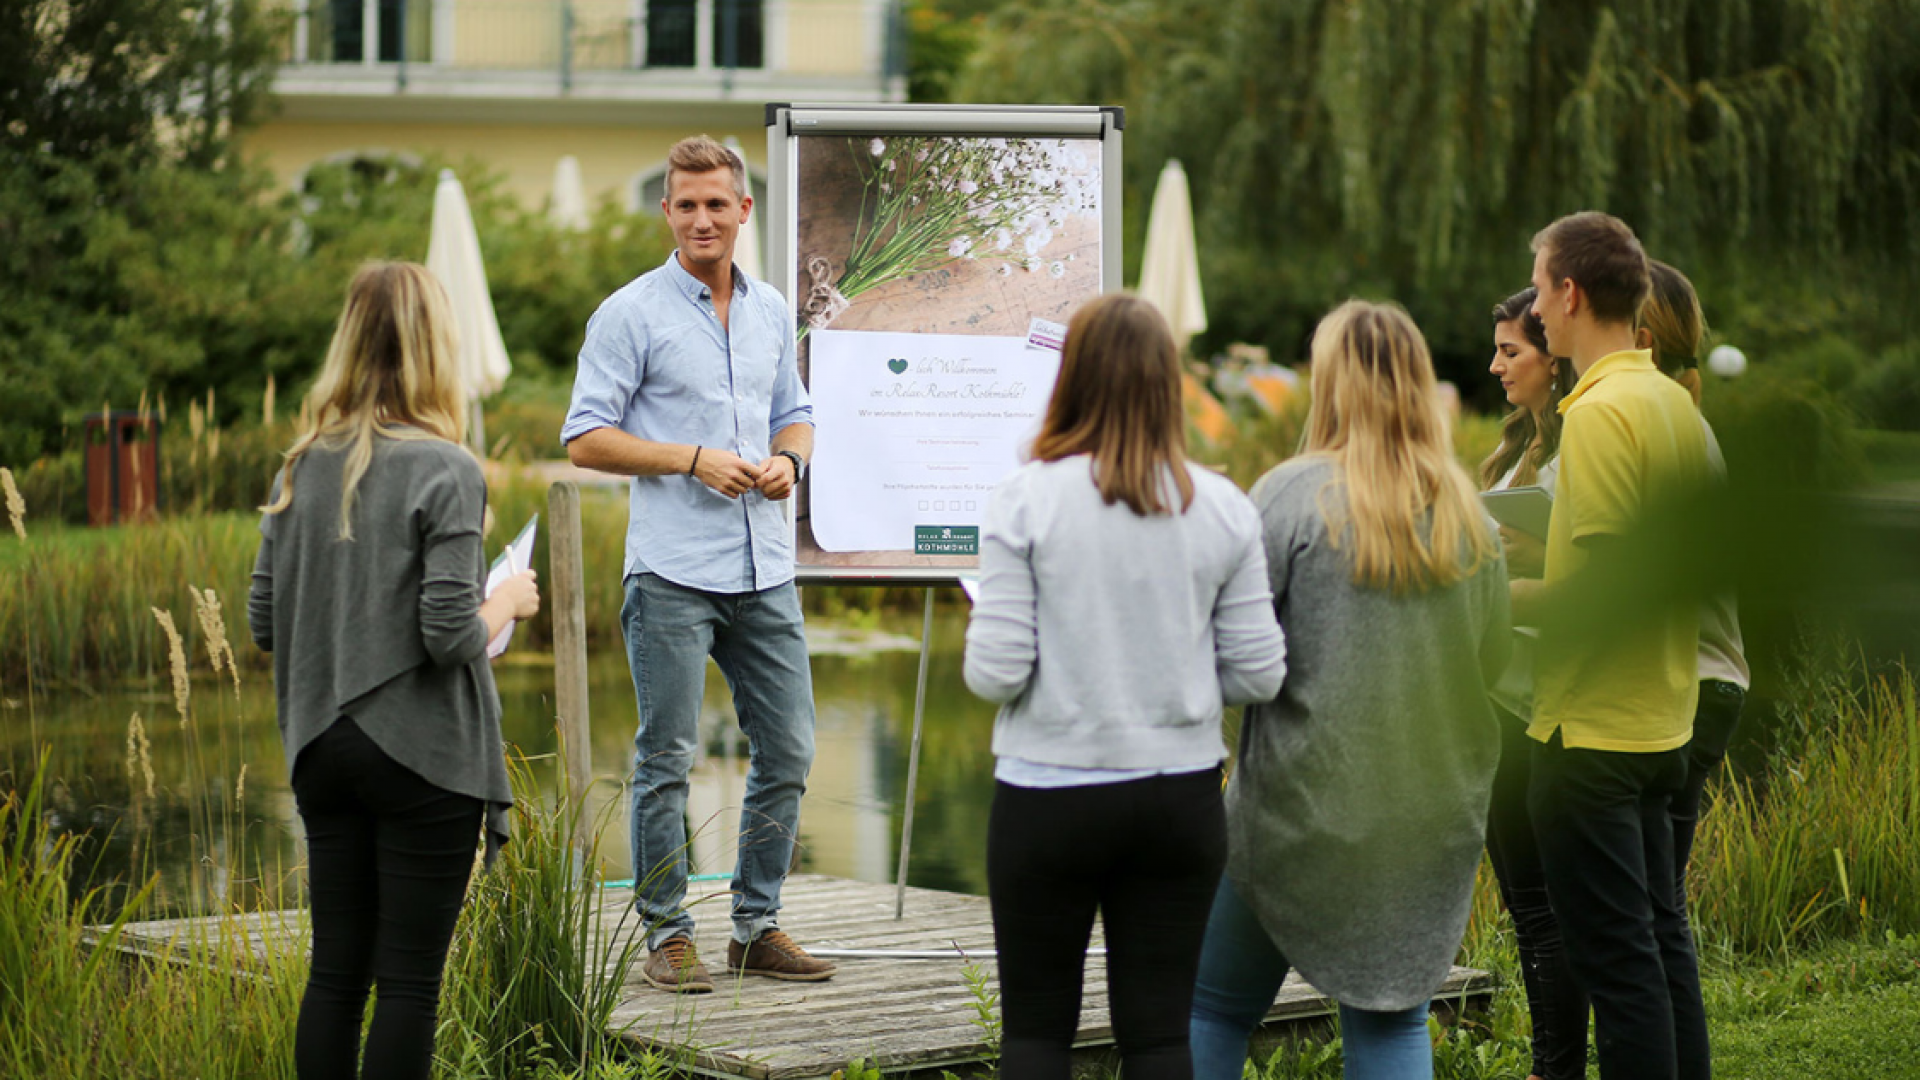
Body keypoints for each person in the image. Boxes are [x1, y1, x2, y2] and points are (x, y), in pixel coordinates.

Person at [964, 294, 1286, 1080]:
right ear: (1168, 383)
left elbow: (994, 672)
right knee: (1161, 1036)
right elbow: (1259, 672)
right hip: (1179, 797)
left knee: (1037, 1034)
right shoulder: (1222, 506)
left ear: (1069, 378)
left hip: (1049, 793)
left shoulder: (1025, 497)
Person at [1190, 300, 1511, 1080]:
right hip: (1426, 817)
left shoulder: (1288, 496)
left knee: (1210, 1006)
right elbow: (1491, 662)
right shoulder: (1471, 515)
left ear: (1330, 382)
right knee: (1391, 1019)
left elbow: (1234, 647)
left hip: (1296, 812)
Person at [248, 261, 541, 1080]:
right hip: (421, 755)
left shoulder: (300, 464)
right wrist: (508, 602)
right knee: (409, 984)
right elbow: (450, 635)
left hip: (318, 747)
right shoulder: (447, 468)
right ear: (435, 345)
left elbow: (263, 621)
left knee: (335, 975)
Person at [561, 134, 830, 994]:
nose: (703, 218)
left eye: (718, 203)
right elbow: (584, 437)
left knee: (789, 748)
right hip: (672, 572)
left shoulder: (771, 309)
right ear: (667, 211)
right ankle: (668, 934)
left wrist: (793, 462)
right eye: (687, 204)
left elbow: (796, 412)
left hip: (766, 573)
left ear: (744, 210)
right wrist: (691, 459)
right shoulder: (629, 312)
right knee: (665, 761)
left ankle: (755, 927)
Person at [1515, 213, 1712, 1080]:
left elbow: (1595, 593)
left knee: (1617, 969)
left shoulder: (1596, 414)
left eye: (1537, 282)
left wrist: (1495, 594)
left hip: (1589, 732)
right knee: (1661, 953)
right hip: (1665, 720)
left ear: (1570, 293)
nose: (1534, 306)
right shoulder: (1674, 405)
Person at [1478, 288, 1588, 1080]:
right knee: (1526, 902)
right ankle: (1554, 1061)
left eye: (1511, 350)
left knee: (1543, 905)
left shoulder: (1575, 450)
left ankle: (1557, 1066)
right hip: (1497, 693)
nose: (1495, 365)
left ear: (1553, 356)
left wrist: (1513, 563)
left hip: (1540, 699)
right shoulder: (1516, 449)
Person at [1637, 259, 1750, 894]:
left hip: (1692, 685)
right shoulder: (1681, 421)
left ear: (1641, 338)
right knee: (1657, 904)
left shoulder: (1669, 429)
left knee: (1652, 907)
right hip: (1707, 682)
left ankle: (1665, 1001)